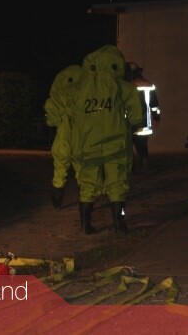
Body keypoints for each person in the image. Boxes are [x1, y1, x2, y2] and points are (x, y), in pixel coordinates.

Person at [70, 45, 145, 234]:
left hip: (89, 145)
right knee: (117, 184)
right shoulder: (122, 87)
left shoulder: (80, 89)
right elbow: (136, 115)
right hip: (116, 145)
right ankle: (119, 224)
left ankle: (85, 225)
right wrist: (131, 126)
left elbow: (72, 116)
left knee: (88, 185)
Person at [44, 64, 82, 208]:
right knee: (81, 171)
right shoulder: (84, 97)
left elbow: (51, 121)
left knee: (59, 171)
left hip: (62, 141)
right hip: (80, 141)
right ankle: (85, 200)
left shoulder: (56, 99)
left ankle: (57, 199)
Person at [125, 62, 161, 173]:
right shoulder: (148, 84)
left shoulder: (126, 86)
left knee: (128, 145)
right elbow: (154, 104)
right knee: (142, 145)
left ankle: (132, 168)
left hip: (129, 121)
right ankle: (144, 164)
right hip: (145, 122)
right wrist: (156, 117)